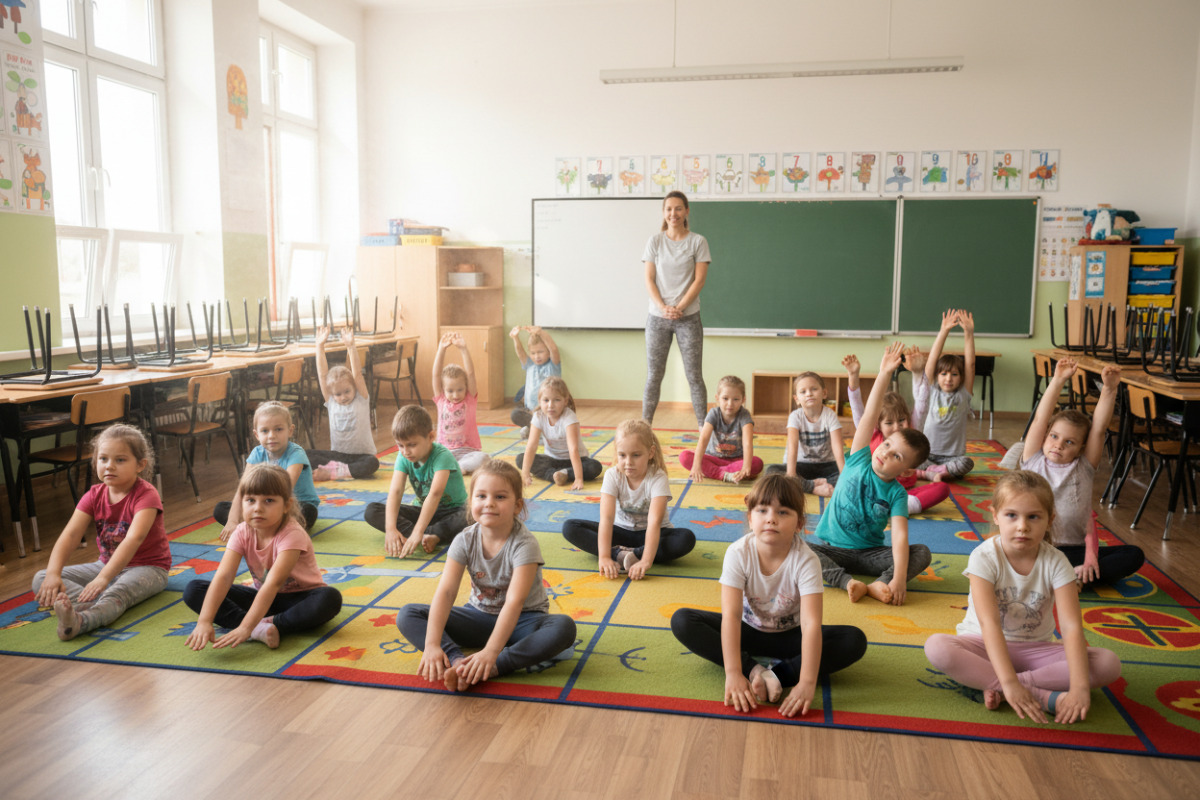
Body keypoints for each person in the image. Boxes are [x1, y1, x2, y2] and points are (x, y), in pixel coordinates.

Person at [924, 471, 1122, 723]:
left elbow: (1071, 627)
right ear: (995, 515)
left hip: (1035, 650)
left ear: (1050, 520)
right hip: (982, 645)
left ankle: (998, 684)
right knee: (938, 647)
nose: (1022, 526)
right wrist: (1009, 683)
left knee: (1107, 663)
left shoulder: (1057, 561)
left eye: (1033, 517)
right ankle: (1036, 694)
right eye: (1012, 515)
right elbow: (989, 624)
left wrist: (1080, 689)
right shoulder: (983, 557)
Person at [670, 474, 867, 717]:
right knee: (683, 620)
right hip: (747, 630)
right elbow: (731, 617)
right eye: (762, 510)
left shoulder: (807, 560)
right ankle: (755, 671)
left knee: (853, 640)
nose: (771, 518)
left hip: (791, 635)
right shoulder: (738, 553)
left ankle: (777, 675)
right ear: (750, 517)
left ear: (799, 523)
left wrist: (806, 682)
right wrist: (734, 672)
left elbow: (810, 624)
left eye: (783, 512)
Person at [397, 460, 577, 691]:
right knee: (409, 613)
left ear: (517, 505)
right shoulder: (464, 540)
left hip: (523, 621)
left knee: (563, 627)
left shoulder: (525, 544)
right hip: (478, 616)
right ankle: (458, 663)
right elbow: (446, 592)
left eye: (500, 497)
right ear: (471, 502)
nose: (489, 503)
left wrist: (491, 653)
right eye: (481, 496)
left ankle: (493, 667)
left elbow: (514, 602)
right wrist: (432, 644)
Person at [807, 343, 932, 605]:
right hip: (832, 549)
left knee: (921, 552)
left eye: (896, 456)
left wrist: (898, 578)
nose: (886, 453)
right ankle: (847, 582)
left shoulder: (897, 494)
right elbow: (870, 412)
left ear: (907, 470)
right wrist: (884, 373)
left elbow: (899, 536)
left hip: (870, 554)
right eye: (887, 445)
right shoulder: (859, 458)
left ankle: (879, 584)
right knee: (797, 547)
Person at [32, 424, 170, 641]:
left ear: (140, 465)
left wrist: (103, 579)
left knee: (116, 594)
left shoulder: (147, 495)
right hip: (105, 565)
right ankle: (89, 604)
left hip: (148, 568)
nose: (109, 466)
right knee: (41, 578)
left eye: (120, 460)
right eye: (103, 459)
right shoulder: (94, 495)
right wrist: (53, 574)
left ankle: (79, 621)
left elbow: (133, 539)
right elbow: (70, 535)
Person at [185, 464, 342, 650]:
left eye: (268, 501)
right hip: (262, 598)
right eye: (250, 500)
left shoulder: (292, 534)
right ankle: (259, 629)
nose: (258, 508)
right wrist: (204, 621)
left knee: (330, 598)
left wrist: (246, 627)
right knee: (194, 590)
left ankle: (268, 625)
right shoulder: (241, 532)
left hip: (300, 599)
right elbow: (224, 577)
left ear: (286, 505)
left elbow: (273, 583)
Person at [1021, 357, 1143, 586]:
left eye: (1069, 442)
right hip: (1035, 548)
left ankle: (1070, 576)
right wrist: (1058, 379)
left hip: (1072, 551)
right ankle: (1066, 578)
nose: (1058, 445)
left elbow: (1098, 429)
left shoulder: (1083, 467)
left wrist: (1109, 389)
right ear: (1046, 435)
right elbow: (1040, 419)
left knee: (1133, 555)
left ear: (1081, 448)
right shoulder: (1033, 460)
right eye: (1054, 436)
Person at [562, 419, 696, 579]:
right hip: (620, 532)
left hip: (653, 534)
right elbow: (606, 519)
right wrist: (604, 557)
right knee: (570, 527)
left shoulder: (657, 477)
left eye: (636, 455)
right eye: (622, 455)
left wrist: (645, 560)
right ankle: (619, 554)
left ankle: (635, 554)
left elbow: (654, 523)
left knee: (686, 538)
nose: (628, 462)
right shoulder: (612, 476)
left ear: (651, 453)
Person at [843, 351, 950, 515]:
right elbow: (857, 408)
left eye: (901, 420)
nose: (897, 427)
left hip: (902, 490)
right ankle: (890, 505)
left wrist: (918, 373)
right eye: (889, 423)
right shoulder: (871, 434)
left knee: (942, 488)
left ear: (908, 418)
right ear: (878, 425)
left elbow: (922, 402)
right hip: (875, 489)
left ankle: (895, 506)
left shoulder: (912, 430)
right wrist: (853, 376)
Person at [364, 404, 468, 558]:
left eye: (412, 445)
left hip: (453, 511)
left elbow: (435, 494)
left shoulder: (442, 456)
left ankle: (428, 534)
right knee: (372, 510)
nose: (406, 451)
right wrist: (391, 529)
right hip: (423, 512)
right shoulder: (403, 457)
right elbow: (396, 492)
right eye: (400, 445)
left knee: (471, 515)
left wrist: (418, 531)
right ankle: (430, 535)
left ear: (431, 437)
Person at [643, 190, 710, 427]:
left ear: (687, 211)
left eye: (678, 208)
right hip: (657, 318)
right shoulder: (655, 241)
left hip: (688, 318)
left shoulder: (698, 242)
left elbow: (699, 280)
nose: (674, 213)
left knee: (694, 376)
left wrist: (679, 307)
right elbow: (649, 279)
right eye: (669, 209)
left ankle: (703, 428)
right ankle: (645, 426)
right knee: (654, 375)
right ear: (664, 212)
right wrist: (663, 307)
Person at [215, 401, 320, 533]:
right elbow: (243, 489)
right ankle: (267, 526)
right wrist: (232, 520)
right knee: (220, 509)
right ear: (257, 435)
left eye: (278, 429)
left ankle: (258, 525)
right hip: (262, 506)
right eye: (265, 431)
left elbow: (284, 489)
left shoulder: (296, 454)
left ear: (290, 431)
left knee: (308, 512)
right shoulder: (257, 453)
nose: (271, 436)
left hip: (293, 506)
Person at [308, 326, 380, 481]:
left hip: (362, 457)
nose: (343, 397)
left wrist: (351, 346)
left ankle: (332, 473)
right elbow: (322, 375)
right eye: (338, 394)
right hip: (338, 457)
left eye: (347, 391)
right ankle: (342, 471)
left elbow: (357, 374)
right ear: (332, 394)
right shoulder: (331, 402)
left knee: (372, 463)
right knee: (303, 454)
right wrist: (319, 346)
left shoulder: (361, 399)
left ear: (354, 387)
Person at [765, 372, 844, 497]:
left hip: (826, 466)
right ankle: (812, 487)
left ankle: (805, 485)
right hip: (800, 466)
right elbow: (792, 446)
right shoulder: (795, 417)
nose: (809, 394)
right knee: (771, 471)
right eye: (803, 391)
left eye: (814, 389)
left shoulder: (830, 415)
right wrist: (791, 475)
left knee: (852, 472)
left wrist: (845, 475)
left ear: (824, 393)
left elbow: (837, 447)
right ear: (796, 399)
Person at [920, 309, 976, 481]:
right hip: (927, 453)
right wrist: (943, 331)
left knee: (967, 463)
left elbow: (970, 364)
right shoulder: (932, 390)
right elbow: (931, 362)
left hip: (953, 457)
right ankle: (937, 471)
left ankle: (934, 471)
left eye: (954, 374)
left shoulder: (964, 394)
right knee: (910, 458)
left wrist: (969, 333)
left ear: (961, 377)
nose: (948, 379)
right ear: (937, 376)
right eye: (943, 374)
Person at [517, 376, 601, 489]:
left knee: (595, 467)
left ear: (565, 401)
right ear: (540, 401)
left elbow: (573, 449)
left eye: (556, 400)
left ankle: (566, 473)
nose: (550, 405)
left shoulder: (569, 418)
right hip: (552, 460)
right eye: (546, 400)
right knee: (520, 459)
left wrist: (578, 478)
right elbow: (531, 446)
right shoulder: (538, 416)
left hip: (575, 460)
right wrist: (525, 473)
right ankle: (555, 475)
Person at [681, 375, 762, 484]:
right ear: (717, 398)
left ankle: (715, 472)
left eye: (736, 399)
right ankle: (724, 474)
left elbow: (747, 443)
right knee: (684, 457)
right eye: (725, 398)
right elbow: (703, 439)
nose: (730, 404)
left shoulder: (744, 415)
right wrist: (696, 465)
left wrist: (746, 467)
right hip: (713, 458)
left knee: (756, 463)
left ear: (743, 400)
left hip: (736, 460)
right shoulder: (713, 413)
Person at [432, 331, 491, 474]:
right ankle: (453, 467)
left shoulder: (469, 401)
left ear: (466, 387)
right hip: (445, 452)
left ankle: (458, 468)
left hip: (467, 452)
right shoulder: (441, 401)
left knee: (485, 458)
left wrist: (463, 349)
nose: (456, 395)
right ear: (443, 390)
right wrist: (441, 349)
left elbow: (470, 374)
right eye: (450, 391)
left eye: (460, 389)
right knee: (425, 456)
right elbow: (436, 375)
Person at [509, 325, 561, 437]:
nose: (537, 356)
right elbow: (520, 353)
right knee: (515, 414)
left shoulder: (553, 366)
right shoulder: (530, 365)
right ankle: (535, 428)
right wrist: (515, 338)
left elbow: (554, 349)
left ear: (548, 351)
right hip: (531, 410)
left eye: (540, 352)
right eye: (533, 353)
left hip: (548, 412)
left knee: (550, 418)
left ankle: (541, 430)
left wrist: (541, 333)